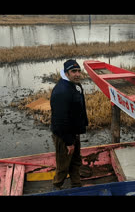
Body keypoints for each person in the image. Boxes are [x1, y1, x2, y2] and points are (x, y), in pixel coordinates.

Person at [50, 59, 88, 189]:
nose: (77, 74)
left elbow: (78, 109)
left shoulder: (74, 85)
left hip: (73, 132)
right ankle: (56, 187)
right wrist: (68, 142)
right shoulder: (61, 91)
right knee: (63, 166)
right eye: (73, 71)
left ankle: (76, 185)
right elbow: (60, 120)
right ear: (66, 73)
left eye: (79, 71)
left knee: (76, 161)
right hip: (63, 135)